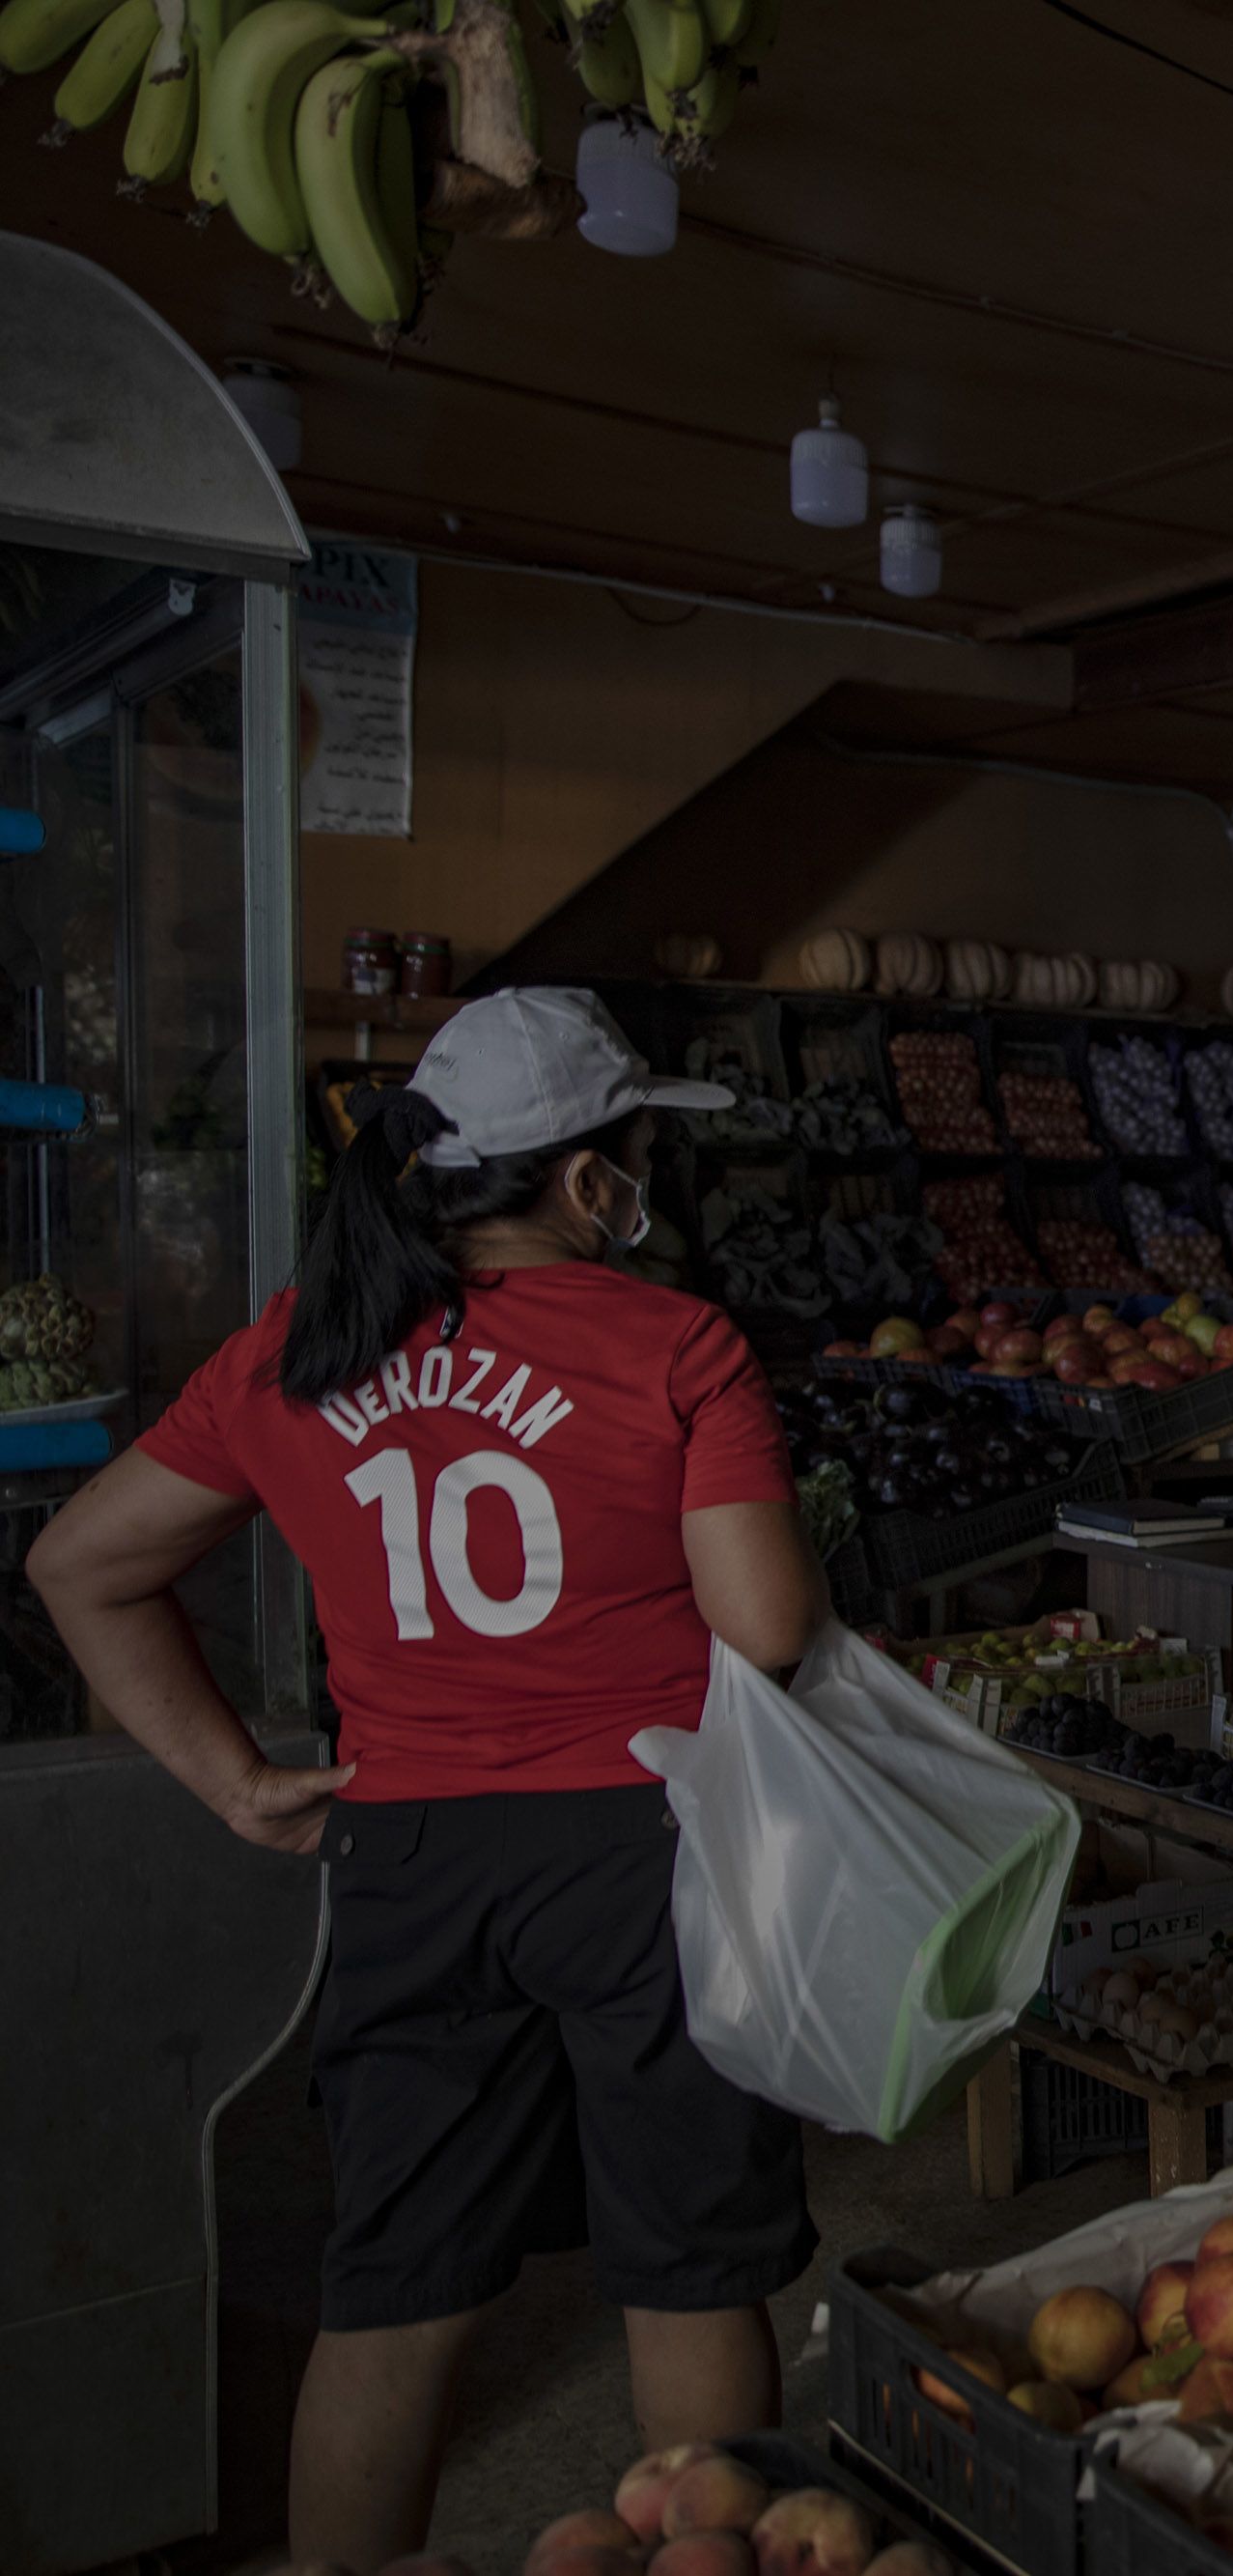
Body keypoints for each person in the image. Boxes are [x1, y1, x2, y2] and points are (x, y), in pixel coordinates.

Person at [29, 988, 828, 2570]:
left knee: (395, 2284)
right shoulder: (673, 1342)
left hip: (408, 1858)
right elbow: (768, 1628)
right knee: (687, 2261)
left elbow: (82, 1562)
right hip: (648, 1853)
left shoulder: (294, 1351)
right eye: (640, 1149)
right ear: (591, 1178)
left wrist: (240, 1781)